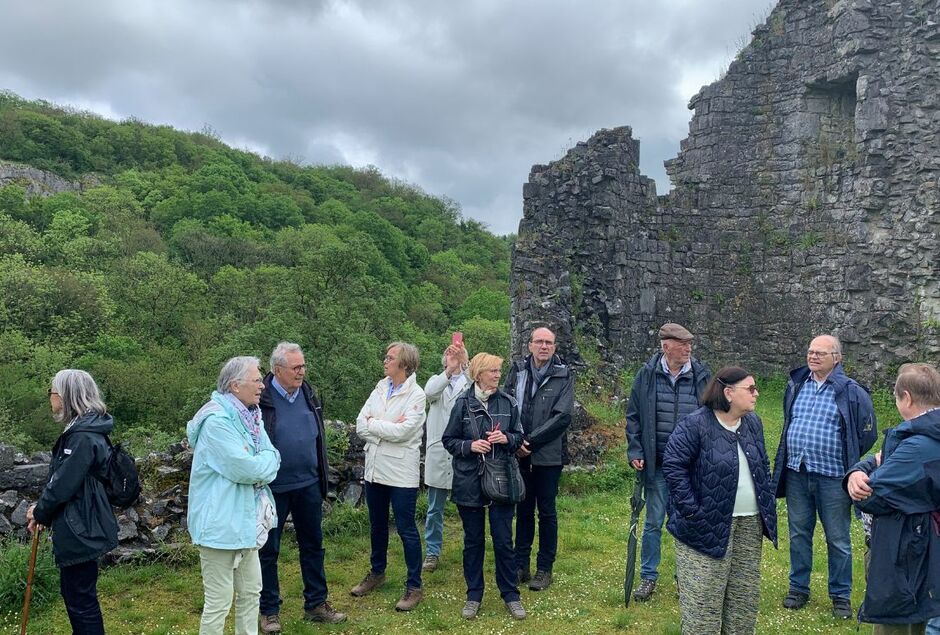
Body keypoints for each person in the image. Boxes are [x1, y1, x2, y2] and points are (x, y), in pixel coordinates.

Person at [662, 366, 778, 635]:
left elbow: (762, 463)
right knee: (703, 604)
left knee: (742, 602)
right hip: (705, 525)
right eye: (750, 389)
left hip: (749, 525)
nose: (756, 394)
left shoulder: (753, 423)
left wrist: (765, 503)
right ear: (728, 393)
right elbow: (673, 466)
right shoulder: (696, 424)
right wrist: (691, 511)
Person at [771, 334, 877, 618]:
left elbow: (867, 434)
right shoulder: (797, 384)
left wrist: (848, 457)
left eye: (820, 353)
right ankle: (798, 588)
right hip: (798, 472)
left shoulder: (851, 391)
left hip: (834, 477)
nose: (813, 356)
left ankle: (841, 596)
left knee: (838, 538)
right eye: (810, 351)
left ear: (837, 358)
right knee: (798, 533)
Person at [187, 356, 281, 635]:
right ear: (235, 385)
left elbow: (271, 454)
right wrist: (266, 462)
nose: (262, 385)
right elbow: (246, 467)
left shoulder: (251, 416)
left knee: (252, 593)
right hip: (220, 525)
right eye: (256, 380)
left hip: (246, 522)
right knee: (219, 601)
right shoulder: (216, 422)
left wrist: (266, 461)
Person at [845, 363, 940, 634]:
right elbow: (882, 462)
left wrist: (860, 474)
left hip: (907, 550)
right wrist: (861, 469)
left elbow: (870, 496)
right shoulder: (925, 435)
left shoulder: (919, 445)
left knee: (899, 625)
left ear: (906, 397)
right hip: (924, 546)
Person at [257, 342, 345, 633]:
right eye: (296, 367)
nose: (302, 372)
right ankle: (269, 611)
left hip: (307, 482)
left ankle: (316, 604)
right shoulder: (261, 397)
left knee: (313, 545)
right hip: (273, 487)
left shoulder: (307, 393)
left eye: (303, 366)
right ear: (277, 369)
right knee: (268, 549)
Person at [26, 369, 119, 635]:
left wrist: (41, 512)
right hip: (84, 522)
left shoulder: (81, 436)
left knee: (80, 599)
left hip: (81, 526)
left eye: (52, 392)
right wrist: (42, 511)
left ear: (66, 396)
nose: (50, 398)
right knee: (78, 595)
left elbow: (63, 485)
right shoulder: (86, 429)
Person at [625, 322, 712, 601]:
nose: (688, 349)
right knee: (653, 522)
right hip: (658, 463)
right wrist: (636, 451)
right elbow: (634, 416)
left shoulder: (702, 375)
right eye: (682, 344)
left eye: (690, 344)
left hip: (691, 465)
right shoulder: (647, 375)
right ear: (666, 346)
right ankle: (648, 577)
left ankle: (684, 578)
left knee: (687, 522)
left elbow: (712, 417)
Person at [443, 352, 526, 620]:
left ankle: (511, 596)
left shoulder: (508, 402)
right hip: (470, 482)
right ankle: (474, 595)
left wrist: (506, 438)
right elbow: (449, 440)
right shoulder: (461, 404)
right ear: (478, 374)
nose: (498, 375)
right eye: (492, 371)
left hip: (502, 479)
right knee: (473, 541)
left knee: (503, 540)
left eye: (499, 371)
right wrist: (470, 446)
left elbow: (519, 437)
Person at [352, 341, 427, 611]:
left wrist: (375, 425)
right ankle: (377, 572)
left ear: (404, 365)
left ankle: (414, 586)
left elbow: (405, 432)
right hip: (375, 469)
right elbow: (361, 424)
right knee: (377, 525)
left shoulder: (416, 395)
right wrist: (381, 426)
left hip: (400, 472)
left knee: (406, 529)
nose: (385, 361)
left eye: (390, 357)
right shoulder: (380, 387)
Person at [504, 326, 574, 591]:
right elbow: (506, 405)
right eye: (539, 342)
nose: (544, 346)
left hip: (548, 456)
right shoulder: (518, 371)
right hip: (518, 453)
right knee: (522, 509)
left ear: (554, 347)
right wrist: (516, 440)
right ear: (530, 345)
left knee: (546, 512)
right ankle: (521, 564)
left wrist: (530, 442)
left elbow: (563, 416)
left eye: (549, 343)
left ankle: (545, 568)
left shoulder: (563, 374)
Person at [422, 342, 469, 573]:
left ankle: (471, 548)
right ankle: (432, 552)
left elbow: (477, 389)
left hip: (463, 452)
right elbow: (428, 394)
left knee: (468, 507)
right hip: (439, 452)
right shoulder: (436, 382)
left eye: (456, 355)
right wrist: (449, 371)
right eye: (448, 355)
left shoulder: (469, 384)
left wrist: (465, 364)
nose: (452, 357)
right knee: (434, 509)